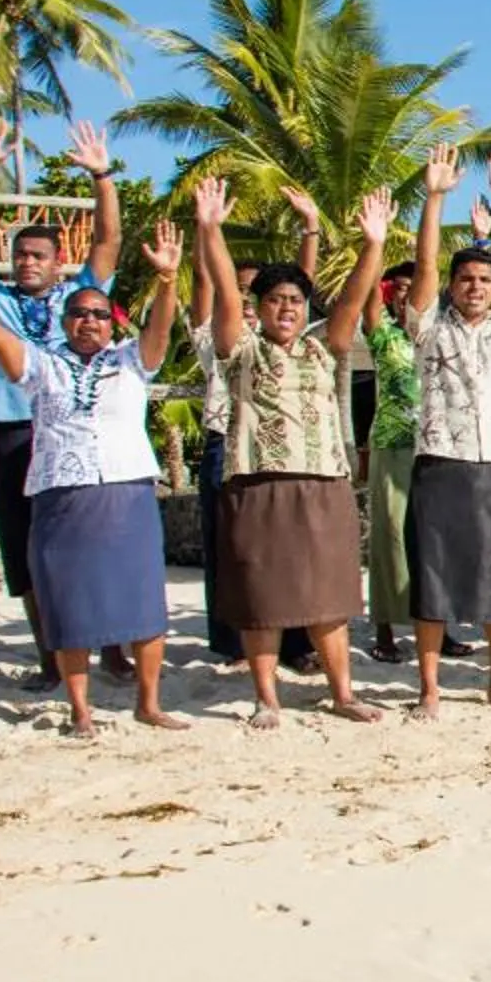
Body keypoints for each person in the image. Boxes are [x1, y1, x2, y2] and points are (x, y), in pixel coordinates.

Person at [0, 221, 185, 737]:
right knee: (67, 606)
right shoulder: (40, 365)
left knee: (143, 602)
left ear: (110, 324)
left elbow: (160, 330)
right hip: (59, 497)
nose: (89, 321)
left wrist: (167, 281)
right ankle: (80, 711)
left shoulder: (132, 362)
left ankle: (148, 703)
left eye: (99, 314)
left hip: (126, 494)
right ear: (65, 321)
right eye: (78, 313)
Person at [193, 176, 392, 729]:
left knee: (329, 595)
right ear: (260, 308)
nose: (287, 308)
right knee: (261, 595)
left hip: (324, 481)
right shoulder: (241, 349)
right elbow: (225, 295)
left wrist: (373, 244)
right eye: (277, 300)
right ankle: (267, 697)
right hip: (257, 482)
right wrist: (209, 230)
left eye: (296, 301)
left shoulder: (323, 349)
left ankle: (343, 693)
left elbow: (352, 301)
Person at [0, 113, 122, 688]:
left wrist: (102, 178)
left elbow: (108, 241)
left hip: (74, 433)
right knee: (27, 555)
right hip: (14, 434)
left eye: (38, 255)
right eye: (21, 254)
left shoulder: (78, 300)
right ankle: (50, 656)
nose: (28, 261)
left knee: (95, 543)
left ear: (57, 262)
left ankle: (114, 648)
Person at [406, 143, 491, 716]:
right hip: (438, 462)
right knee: (432, 581)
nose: (474, 286)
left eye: (483, 279)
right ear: (453, 285)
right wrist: (435, 199)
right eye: (466, 279)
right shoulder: (426, 326)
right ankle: (431, 688)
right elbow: (424, 267)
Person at [189, 185, 323, 667]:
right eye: (245, 292)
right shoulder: (217, 337)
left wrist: (309, 226)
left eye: (256, 293)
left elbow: (301, 286)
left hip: (283, 451)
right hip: (227, 443)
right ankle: (233, 644)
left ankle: (294, 643)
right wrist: (209, 230)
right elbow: (209, 286)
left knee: (290, 554)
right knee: (232, 552)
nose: (249, 301)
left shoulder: (289, 337)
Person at [360, 261, 423, 663]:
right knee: (390, 536)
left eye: (414, 288)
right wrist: (374, 250)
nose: (407, 295)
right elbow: (367, 306)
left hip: (437, 444)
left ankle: (439, 626)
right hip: (391, 441)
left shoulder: (438, 333)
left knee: (432, 539)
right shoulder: (383, 334)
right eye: (400, 288)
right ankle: (384, 630)